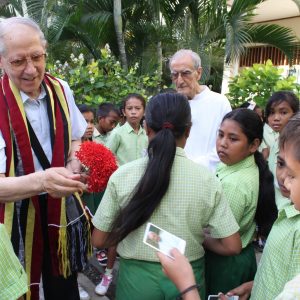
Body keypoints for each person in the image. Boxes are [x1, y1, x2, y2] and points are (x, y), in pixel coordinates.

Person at [92, 93, 241, 300]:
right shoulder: (208, 180)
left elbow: (99, 239)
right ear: (188, 130)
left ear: (146, 127)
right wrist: (196, 237)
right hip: (187, 281)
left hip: (136, 284)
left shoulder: (123, 176)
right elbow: (233, 246)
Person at [0, 17, 90, 300]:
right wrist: (43, 181)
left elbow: (77, 139)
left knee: (63, 288)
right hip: (12, 219)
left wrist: (75, 162)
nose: (31, 69)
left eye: (37, 57)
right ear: (1, 61)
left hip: (60, 217)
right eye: (18, 62)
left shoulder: (60, 88)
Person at [219, 113, 300, 299]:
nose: (283, 180)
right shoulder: (289, 210)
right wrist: (256, 285)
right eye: (280, 164)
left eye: (293, 175)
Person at [205, 109, 277, 295]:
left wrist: (197, 235)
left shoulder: (234, 185)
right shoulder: (236, 164)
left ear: (253, 145)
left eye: (233, 139)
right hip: (239, 257)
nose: (222, 143)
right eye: (220, 135)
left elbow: (225, 241)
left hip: (225, 264)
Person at [0, 169, 86, 300]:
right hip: (19, 212)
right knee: (19, 283)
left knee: (62, 276)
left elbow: (74, 149)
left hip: (60, 210)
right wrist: (42, 181)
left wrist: (73, 166)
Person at [169, 49, 231, 171]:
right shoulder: (170, 104)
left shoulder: (219, 103)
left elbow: (225, 145)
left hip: (209, 176)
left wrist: (191, 167)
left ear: (199, 73)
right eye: (175, 74)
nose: (180, 81)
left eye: (185, 73)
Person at [265, 91, 299, 209]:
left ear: (295, 114)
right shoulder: (276, 143)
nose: (276, 118)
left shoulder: (295, 147)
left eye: (283, 112)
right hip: (276, 208)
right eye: (271, 113)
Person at [107, 93, 148, 166]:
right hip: (121, 176)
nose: (133, 112)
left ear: (144, 112)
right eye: (129, 108)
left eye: (138, 108)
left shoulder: (147, 134)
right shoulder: (117, 133)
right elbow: (107, 156)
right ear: (124, 112)